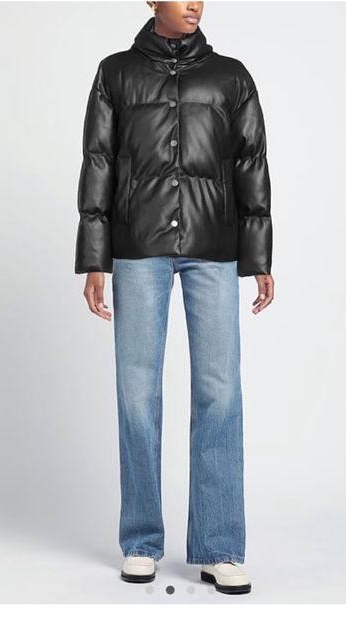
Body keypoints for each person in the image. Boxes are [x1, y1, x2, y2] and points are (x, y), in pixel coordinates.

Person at [75, 1, 274, 595]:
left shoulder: (231, 76)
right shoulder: (115, 73)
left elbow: (252, 164)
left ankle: (219, 547)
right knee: (137, 393)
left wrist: (259, 257)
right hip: (138, 244)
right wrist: (94, 258)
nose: (194, 3)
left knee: (220, 391)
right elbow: (98, 163)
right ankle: (141, 541)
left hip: (214, 245)